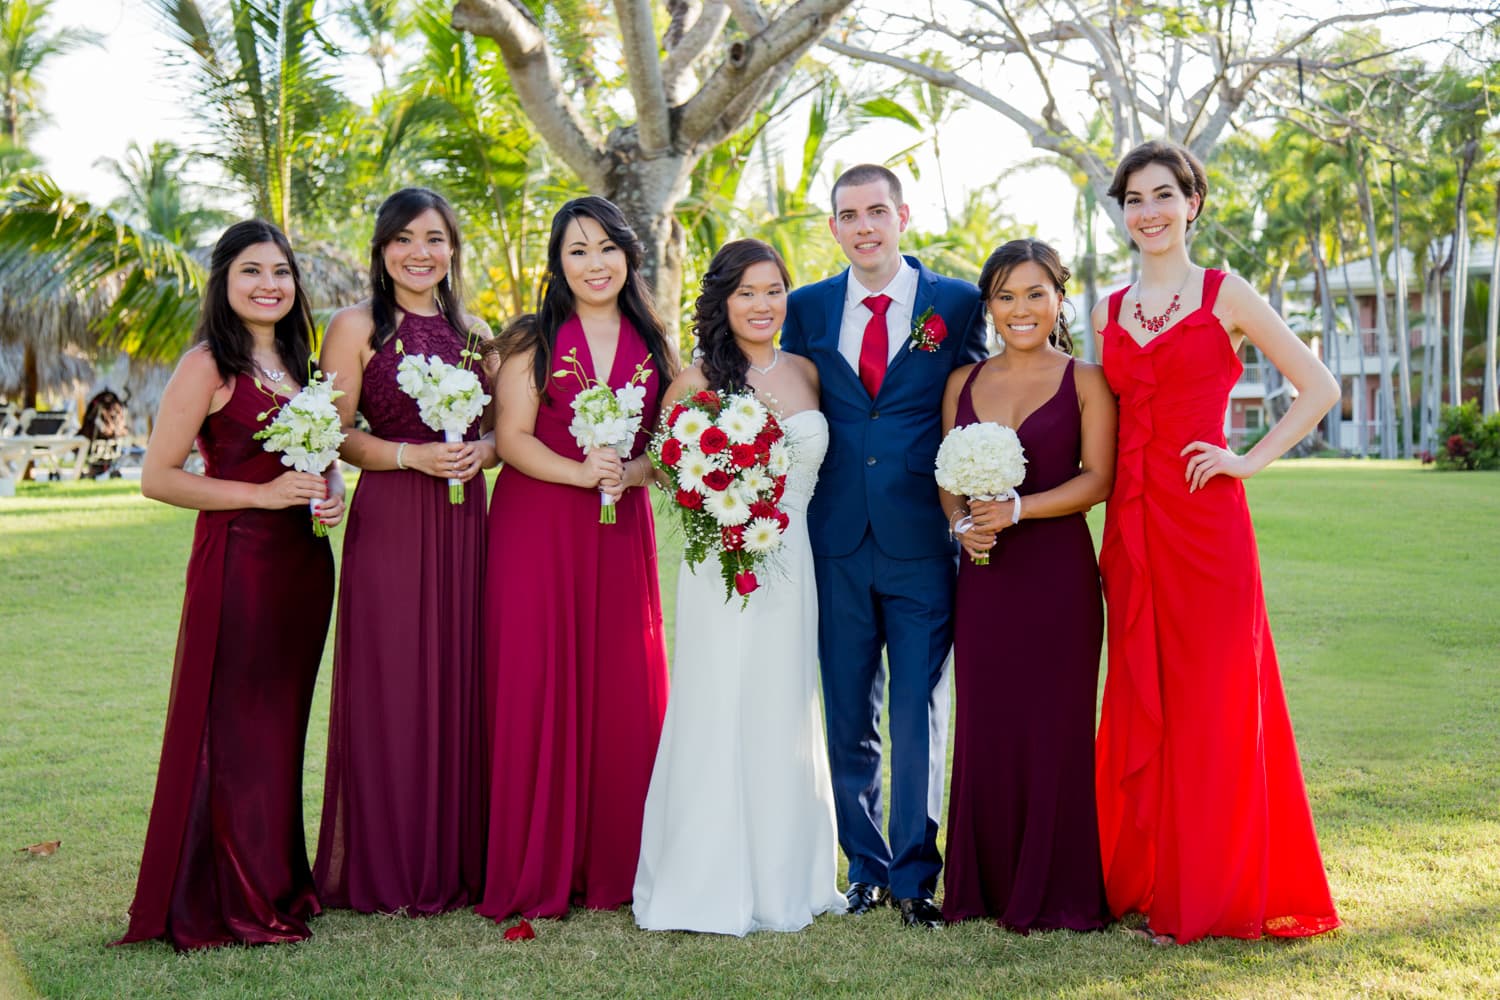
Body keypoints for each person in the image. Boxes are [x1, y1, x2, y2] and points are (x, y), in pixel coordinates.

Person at [1092, 140, 1342, 944]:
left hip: (1206, 523)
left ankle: (1209, 893)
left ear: (1192, 203)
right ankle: (1150, 878)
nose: (1150, 211)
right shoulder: (1109, 307)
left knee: (1212, 704)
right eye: (1134, 199)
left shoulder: (1224, 292)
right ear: (1123, 213)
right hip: (1131, 529)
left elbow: (1320, 387)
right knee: (1143, 697)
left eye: (1164, 194)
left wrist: (1247, 459)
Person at [117, 220, 344, 949]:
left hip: (304, 568)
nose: (270, 284)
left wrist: (329, 490)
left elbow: (320, 455)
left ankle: (277, 880)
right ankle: (233, 899)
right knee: (238, 729)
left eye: (281, 271)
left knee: (280, 732)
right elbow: (159, 478)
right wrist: (260, 497)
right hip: (240, 562)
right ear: (224, 281)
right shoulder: (207, 366)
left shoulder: (303, 365)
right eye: (252, 271)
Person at [780, 164, 987, 929]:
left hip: (922, 537)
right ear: (833, 227)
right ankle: (863, 868)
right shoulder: (804, 309)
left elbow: (985, 394)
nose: (864, 226)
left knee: (917, 711)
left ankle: (913, 874)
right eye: (848, 215)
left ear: (903, 216)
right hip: (831, 537)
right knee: (846, 712)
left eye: (876, 212)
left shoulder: (957, 303)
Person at [633, 239, 846, 935]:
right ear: (723, 302)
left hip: (795, 563)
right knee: (718, 703)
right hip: (721, 571)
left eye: (774, 290)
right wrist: (726, 495)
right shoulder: (695, 384)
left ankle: (787, 874)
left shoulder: (811, 374)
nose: (763, 305)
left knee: (781, 705)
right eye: (747, 292)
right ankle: (707, 876)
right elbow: (668, 467)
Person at [478, 196, 676, 921]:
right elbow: (513, 435)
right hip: (538, 527)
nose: (594, 264)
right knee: (537, 681)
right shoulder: (537, 336)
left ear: (630, 255)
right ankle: (537, 862)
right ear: (558, 263)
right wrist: (579, 472)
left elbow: (669, 444)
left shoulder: (655, 342)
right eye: (577, 251)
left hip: (619, 531)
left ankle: (617, 862)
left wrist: (629, 474)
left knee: (619, 682)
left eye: (606, 249)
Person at [314, 188, 491, 915]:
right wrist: (406, 457)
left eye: (436, 238)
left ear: (452, 248)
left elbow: (501, 433)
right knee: (394, 677)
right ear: (382, 248)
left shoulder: (476, 331)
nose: (421, 253)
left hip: (464, 524)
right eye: (405, 239)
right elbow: (331, 430)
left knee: (460, 671)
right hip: (391, 514)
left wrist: (480, 449)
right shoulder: (355, 326)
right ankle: (388, 862)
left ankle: (457, 855)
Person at [937, 239, 1116, 930]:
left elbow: (1098, 478)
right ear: (988, 305)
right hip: (984, 582)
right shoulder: (963, 383)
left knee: (1056, 728)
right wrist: (962, 526)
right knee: (987, 724)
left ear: (1059, 301)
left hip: (1058, 580)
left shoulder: (1087, 380)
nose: (1020, 309)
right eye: (1006, 295)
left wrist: (1019, 509)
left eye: (1035, 293)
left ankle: (1059, 887)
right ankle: (982, 885)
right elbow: (945, 480)